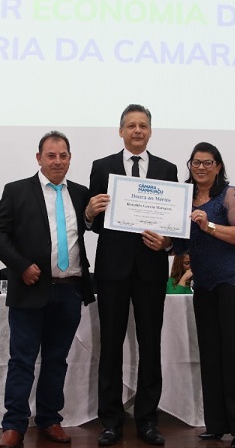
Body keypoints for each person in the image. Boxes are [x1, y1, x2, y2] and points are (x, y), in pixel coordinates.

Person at [0, 131, 95, 448]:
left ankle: (50, 419)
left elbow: (89, 228)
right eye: (51, 155)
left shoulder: (81, 193)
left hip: (69, 290)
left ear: (70, 159)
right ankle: (14, 424)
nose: (57, 161)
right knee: (22, 360)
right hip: (29, 289)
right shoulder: (17, 191)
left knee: (56, 360)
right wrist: (21, 266)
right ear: (39, 158)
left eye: (63, 155)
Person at [85, 104, 178, 446]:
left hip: (151, 269)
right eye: (131, 125)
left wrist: (168, 242)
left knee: (150, 345)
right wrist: (89, 213)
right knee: (110, 345)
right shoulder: (102, 167)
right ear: (121, 131)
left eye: (143, 125)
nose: (137, 130)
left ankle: (148, 419)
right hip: (112, 269)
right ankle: (110, 420)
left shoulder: (167, 170)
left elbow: (175, 225)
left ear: (150, 131)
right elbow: (95, 223)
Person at [183, 142, 235, 448]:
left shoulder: (229, 194)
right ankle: (216, 424)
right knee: (211, 353)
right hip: (204, 285)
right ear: (190, 166)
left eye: (207, 162)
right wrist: (162, 242)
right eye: (196, 162)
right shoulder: (184, 199)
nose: (201, 167)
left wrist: (210, 225)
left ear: (217, 166)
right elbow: (180, 244)